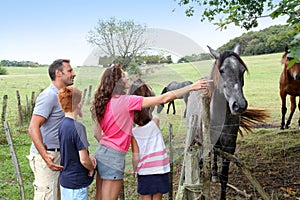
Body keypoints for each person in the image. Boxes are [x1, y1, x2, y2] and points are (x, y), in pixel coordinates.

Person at [91, 64, 211, 200]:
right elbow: (163, 99)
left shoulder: (102, 102)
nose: (127, 78)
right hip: (114, 157)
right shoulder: (126, 101)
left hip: (101, 153)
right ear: (116, 81)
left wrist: (108, 148)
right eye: (124, 76)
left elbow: (96, 134)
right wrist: (191, 87)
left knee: (99, 197)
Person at [27, 59, 76, 200]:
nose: (74, 74)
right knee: (47, 196)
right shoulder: (49, 96)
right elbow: (33, 127)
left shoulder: (63, 95)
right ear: (58, 73)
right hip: (48, 156)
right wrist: (45, 156)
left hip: (61, 155)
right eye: (70, 71)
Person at [130, 79, 170, 200]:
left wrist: (134, 169)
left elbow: (136, 156)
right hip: (160, 168)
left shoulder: (133, 132)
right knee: (157, 197)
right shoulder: (155, 121)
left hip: (144, 171)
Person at [57, 86, 97, 200]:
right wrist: (91, 168)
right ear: (78, 104)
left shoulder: (62, 125)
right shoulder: (79, 128)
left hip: (65, 180)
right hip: (76, 182)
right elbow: (84, 160)